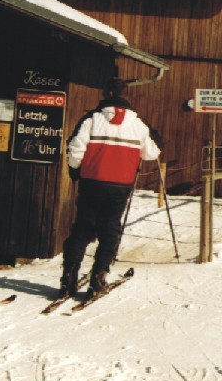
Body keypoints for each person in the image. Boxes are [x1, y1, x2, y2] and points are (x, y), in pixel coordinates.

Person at [61, 78, 160, 298]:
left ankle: (68, 277)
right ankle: (98, 277)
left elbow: (75, 147)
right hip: (120, 184)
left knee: (83, 228)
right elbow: (151, 153)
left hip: (92, 182)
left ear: (106, 94)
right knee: (110, 230)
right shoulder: (138, 124)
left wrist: (75, 170)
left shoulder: (92, 119)